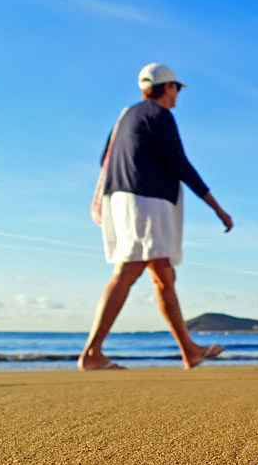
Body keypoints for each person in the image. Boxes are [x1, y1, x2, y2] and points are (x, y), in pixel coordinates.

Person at [79, 63, 234, 370]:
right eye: (177, 88)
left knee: (163, 274)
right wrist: (216, 207)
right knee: (129, 269)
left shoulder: (125, 117)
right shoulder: (159, 115)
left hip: (122, 199)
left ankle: (188, 349)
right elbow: (180, 163)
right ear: (167, 87)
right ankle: (92, 353)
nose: (177, 95)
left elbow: (104, 159)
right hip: (146, 202)